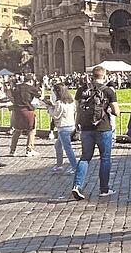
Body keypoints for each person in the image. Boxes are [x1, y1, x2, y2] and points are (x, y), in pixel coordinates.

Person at [72, 66, 120, 200]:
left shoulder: (81, 90)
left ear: (91, 76)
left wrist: (77, 124)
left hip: (86, 128)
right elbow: (116, 111)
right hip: (103, 127)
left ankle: (77, 186)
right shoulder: (108, 91)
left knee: (85, 158)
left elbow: (77, 109)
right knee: (105, 158)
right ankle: (104, 189)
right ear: (104, 76)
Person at [45, 83, 77, 174]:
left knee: (68, 148)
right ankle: (59, 165)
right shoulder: (71, 100)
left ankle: (75, 166)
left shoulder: (59, 102)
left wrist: (49, 108)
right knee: (58, 145)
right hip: (71, 125)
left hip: (63, 127)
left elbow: (56, 115)